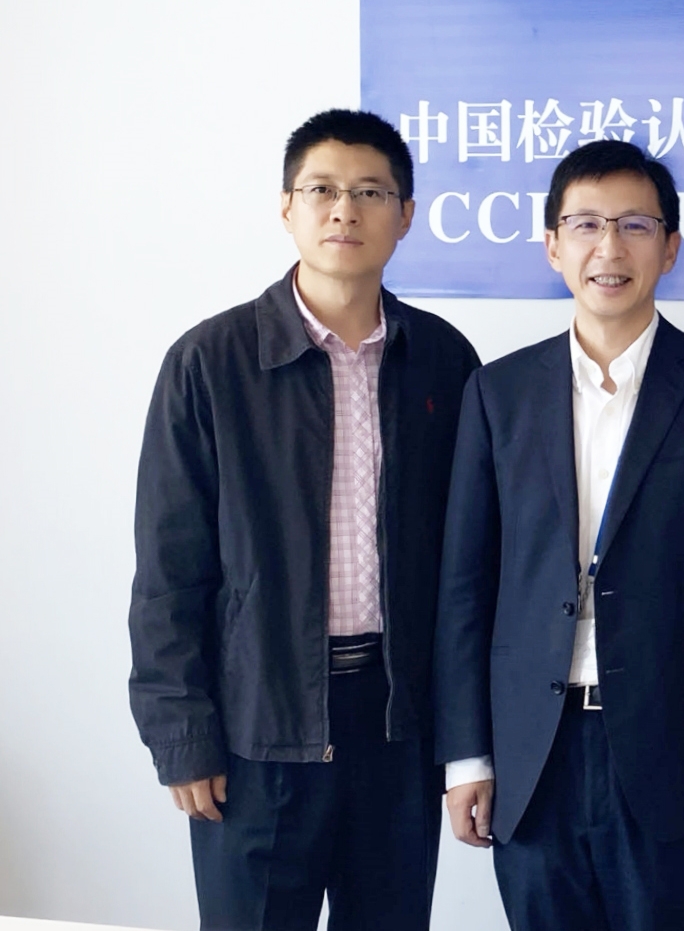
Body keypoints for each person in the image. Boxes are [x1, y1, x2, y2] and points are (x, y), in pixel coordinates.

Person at [129, 109, 482, 930]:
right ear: (286, 207)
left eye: (370, 192)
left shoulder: (443, 360)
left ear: (406, 214)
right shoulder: (209, 363)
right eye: (322, 189)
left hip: (396, 724)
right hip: (257, 726)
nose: (344, 210)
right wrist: (181, 734)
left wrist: (467, 737)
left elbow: (471, 567)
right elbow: (169, 570)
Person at [434, 140, 684, 931]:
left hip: (669, 752)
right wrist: (467, 755)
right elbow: (465, 587)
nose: (609, 248)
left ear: (671, 245)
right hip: (531, 755)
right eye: (586, 224)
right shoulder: (497, 392)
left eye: (634, 225)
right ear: (552, 244)